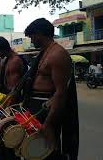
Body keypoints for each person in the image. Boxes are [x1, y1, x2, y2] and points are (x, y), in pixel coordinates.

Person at [22, 18, 78, 160]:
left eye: (32, 36)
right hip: (36, 105)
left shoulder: (57, 54)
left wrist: (48, 123)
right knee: (34, 149)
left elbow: (61, 93)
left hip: (47, 109)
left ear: (40, 33)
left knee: (47, 150)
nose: (32, 40)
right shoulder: (44, 52)